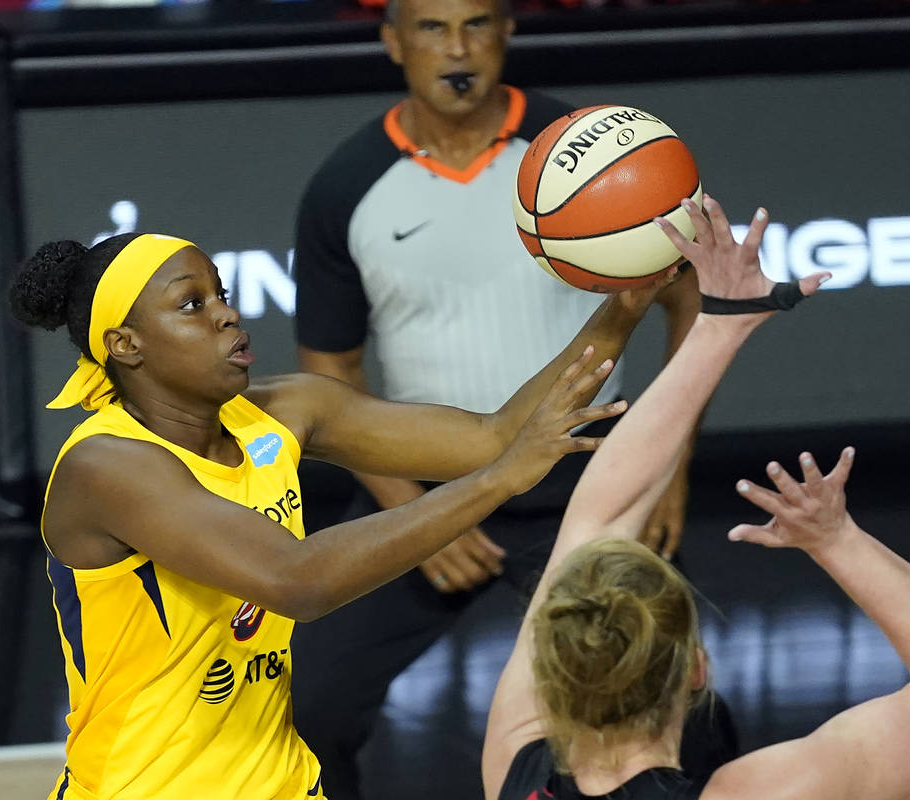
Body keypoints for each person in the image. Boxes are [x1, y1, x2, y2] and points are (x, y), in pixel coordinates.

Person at [8, 231, 661, 800]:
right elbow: (298, 580)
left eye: (222, 294)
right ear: (126, 344)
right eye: (192, 304)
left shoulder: (286, 407)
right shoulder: (107, 467)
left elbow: (493, 436)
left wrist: (624, 305)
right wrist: (500, 480)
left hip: (288, 784)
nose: (226, 317)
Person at [290, 0, 716, 793]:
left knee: (687, 711)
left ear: (507, 32)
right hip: (425, 489)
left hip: (588, 474)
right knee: (303, 708)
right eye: (431, 27)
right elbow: (328, 367)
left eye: (477, 23)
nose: (458, 48)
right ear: (391, 41)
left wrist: (670, 462)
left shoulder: (586, 153)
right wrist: (406, 501)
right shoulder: (347, 185)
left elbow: (686, 291)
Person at [483, 199, 910, 799]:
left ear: (550, 678)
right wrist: (838, 541)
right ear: (696, 671)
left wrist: (718, 326)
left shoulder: (514, 769)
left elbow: (597, 517)